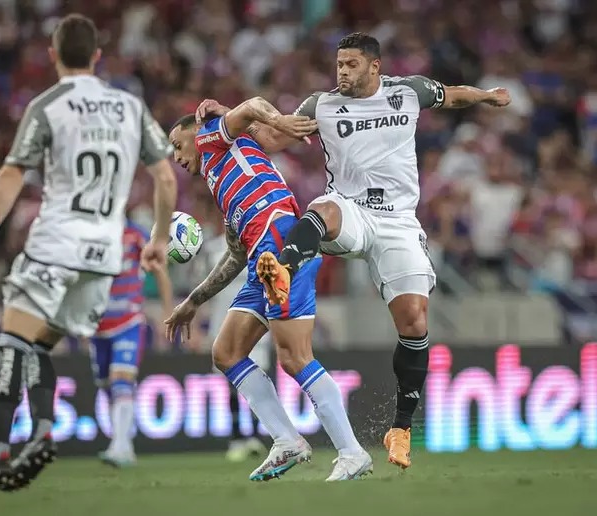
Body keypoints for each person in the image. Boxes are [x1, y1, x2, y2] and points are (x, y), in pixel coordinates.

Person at [197, 32, 511, 470]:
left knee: (415, 320)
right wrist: (225, 119)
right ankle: (282, 269)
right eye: (338, 64)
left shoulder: (408, 92)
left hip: (399, 222)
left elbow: (453, 97)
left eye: (350, 65)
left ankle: (400, 429)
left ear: (374, 66)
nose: (341, 71)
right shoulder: (320, 106)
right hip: (351, 211)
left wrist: (486, 96)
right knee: (321, 208)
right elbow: (271, 134)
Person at [0, 13, 177, 495]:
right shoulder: (130, 105)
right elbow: (164, 176)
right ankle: (39, 429)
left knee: (13, 343)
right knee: (38, 344)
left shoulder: (48, 105)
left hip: (55, 243)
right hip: (104, 257)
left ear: (53, 55)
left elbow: (13, 173)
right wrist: (159, 237)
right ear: (97, 57)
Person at [166, 96, 372, 482]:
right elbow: (233, 257)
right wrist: (193, 301)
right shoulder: (224, 185)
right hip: (259, 253)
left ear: (195, 134)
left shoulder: (212, 137)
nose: (176, 157)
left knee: (294, 358)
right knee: (226, 353)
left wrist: (281, 121)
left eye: (177, 145)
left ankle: (351, 452)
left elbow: (252, 105)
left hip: (280, 243)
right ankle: (287, 441)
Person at [91, 218, 172, 468]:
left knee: (121, 381)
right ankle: (125, 440)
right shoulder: (91, 234)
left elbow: (158, 268)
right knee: (106, 385)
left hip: (129, 320)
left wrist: (168, 313)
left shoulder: (135, 234)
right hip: (98, 324)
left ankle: (120, 446)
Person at [199, 211, 267, 462]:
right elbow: (202, 288)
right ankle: (237, 437)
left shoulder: (258, 246)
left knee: (258, 381)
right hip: (222, 322)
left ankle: (256, 437)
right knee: (232, 384)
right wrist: (199, 327)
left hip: (255, 322)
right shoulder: (213, 249)